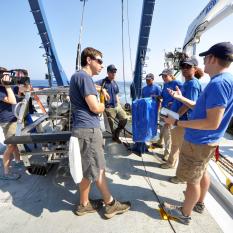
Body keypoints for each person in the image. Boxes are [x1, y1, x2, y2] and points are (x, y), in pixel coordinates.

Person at [162, 42, 233, 225]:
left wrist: (177, 121)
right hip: (208, 141)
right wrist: (180, 98)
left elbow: (212, 122)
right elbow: (201, 107)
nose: (203, 62)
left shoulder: (218, 84)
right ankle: (199, 203)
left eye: (205, 58)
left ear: (213, 58)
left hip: (200, 141)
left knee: (192, 180)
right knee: (202, 173)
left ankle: (184, 214)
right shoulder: (226, 81)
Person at [69, 47, 131, 218]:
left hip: (82, 129)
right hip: (88, 130)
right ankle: (110, 204)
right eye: (99, 61)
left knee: (89, 168)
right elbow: (95, 108)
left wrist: (99, 89)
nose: (102, 65)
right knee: (98, 169)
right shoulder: (85, 77)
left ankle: (84, 203)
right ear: (89, 60)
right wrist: (103, 104)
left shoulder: (78, 76)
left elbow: (89, 88)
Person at [160, 58, 202, 186]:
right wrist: (175, 101)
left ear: (194, 69)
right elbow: (183, 100)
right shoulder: (187, 83)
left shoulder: (192, 84)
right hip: (179, 119)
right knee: (175, 144)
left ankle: (180, 176)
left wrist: (175, 118)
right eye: (183, 66)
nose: (184, 68)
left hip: (183, 120)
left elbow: (190, 105)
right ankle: (171, 163)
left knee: (180, 148)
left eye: (188, 66)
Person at [154, 69, 182, 160]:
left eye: (165, 76)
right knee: (161, 127)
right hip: (164, 109)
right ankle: (159, 142)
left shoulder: (177, 83)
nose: (163, 78)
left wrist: (174, 102)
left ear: (171, 75)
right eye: (162, 76)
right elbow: (163, 95)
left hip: (171, 111)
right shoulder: (165, 84)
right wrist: (158, 97)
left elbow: (182, 95)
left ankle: (167, 153)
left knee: (168, 132)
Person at [96, 64, 128, 143]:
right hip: (109, 108)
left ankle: (116, 133)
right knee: (111, 126)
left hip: (117, 106)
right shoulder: (102, 82)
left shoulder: (115, 83)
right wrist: (101, 89)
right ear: (108, 72)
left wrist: (120, 105)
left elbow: (116, 94)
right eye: (112, 71)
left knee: (124, 118)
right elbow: (91, 85)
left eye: (115, 71)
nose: (114, 73)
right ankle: (115, 137)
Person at [0, 67, 21, 180]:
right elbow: (13, 101)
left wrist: (25, 83)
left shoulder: (9, 87)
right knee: (11, 146)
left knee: (16, 143)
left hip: (15, 119)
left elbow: (21, 93)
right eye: (4, 75)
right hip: (7, 121)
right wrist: (7, 86)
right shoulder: (1, 89)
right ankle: (6, 173)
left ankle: (17, 161)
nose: (7, 77)